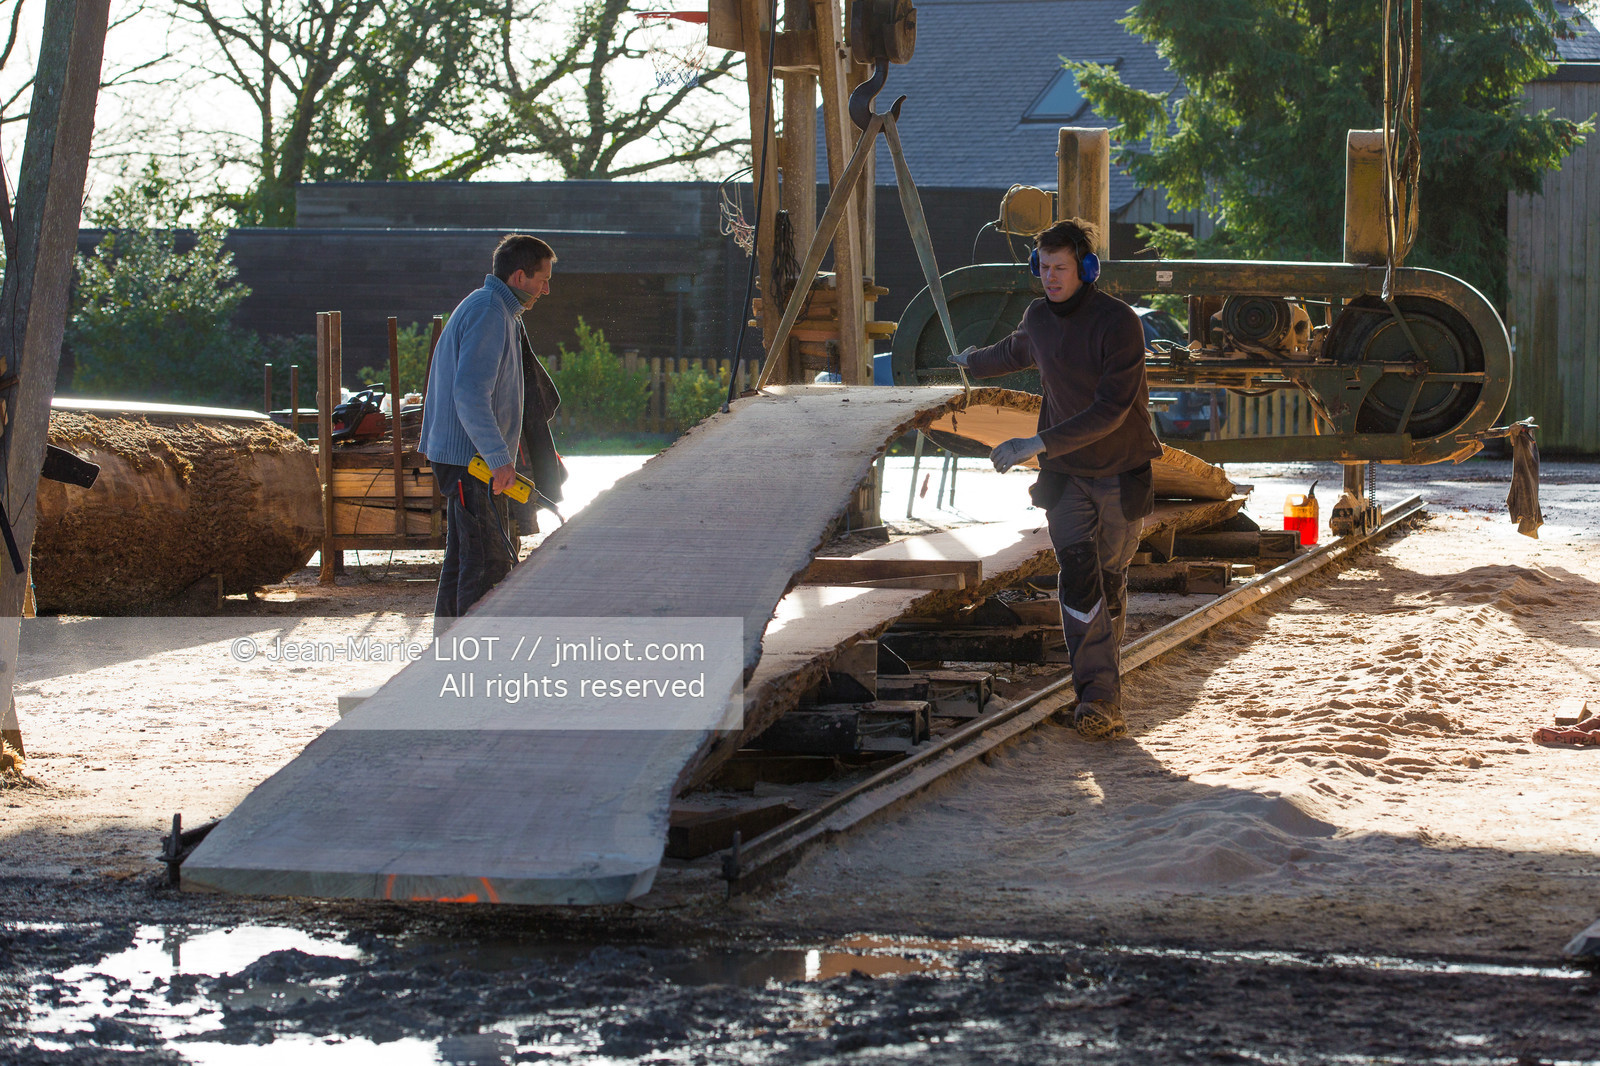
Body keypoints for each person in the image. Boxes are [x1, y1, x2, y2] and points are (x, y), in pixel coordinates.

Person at [950, 219, 1162, 740]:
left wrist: (1032, 444)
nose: (1050, 277)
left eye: (1060, 268)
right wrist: (970, 362)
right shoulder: (1038, 319)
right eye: (1042, 268)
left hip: (1119, 471)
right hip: (1067, 478)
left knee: (1110, 581)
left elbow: (1111, 410)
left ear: (1087, 270)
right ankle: (1098, 698)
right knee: (1079, 575)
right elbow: (1018, 350)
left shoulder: (1119, 324)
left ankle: (1101, 684)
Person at [420, 233, 556, 632]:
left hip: (469, 457)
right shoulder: (489, 311)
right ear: (519, 276)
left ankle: (443, 657)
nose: (547, 289)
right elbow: (469, 392)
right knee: (487, 563)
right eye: (543, 279)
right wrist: (499, 459)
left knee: (465, 556)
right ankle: (476, 663)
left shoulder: (498, 310)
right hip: (470, 460)